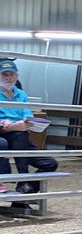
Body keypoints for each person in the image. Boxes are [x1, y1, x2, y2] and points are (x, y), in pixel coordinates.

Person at [0, 59, 34, 193]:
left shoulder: (22, 94)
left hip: (17, 131)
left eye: (11, 75)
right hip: (3, 129)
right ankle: (21, 178)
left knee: (49, 163)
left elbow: (27, 113)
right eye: (4, 75)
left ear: (17, 76)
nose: (8, 78)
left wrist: (27, 121)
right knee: (3, 143)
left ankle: (23, 194)